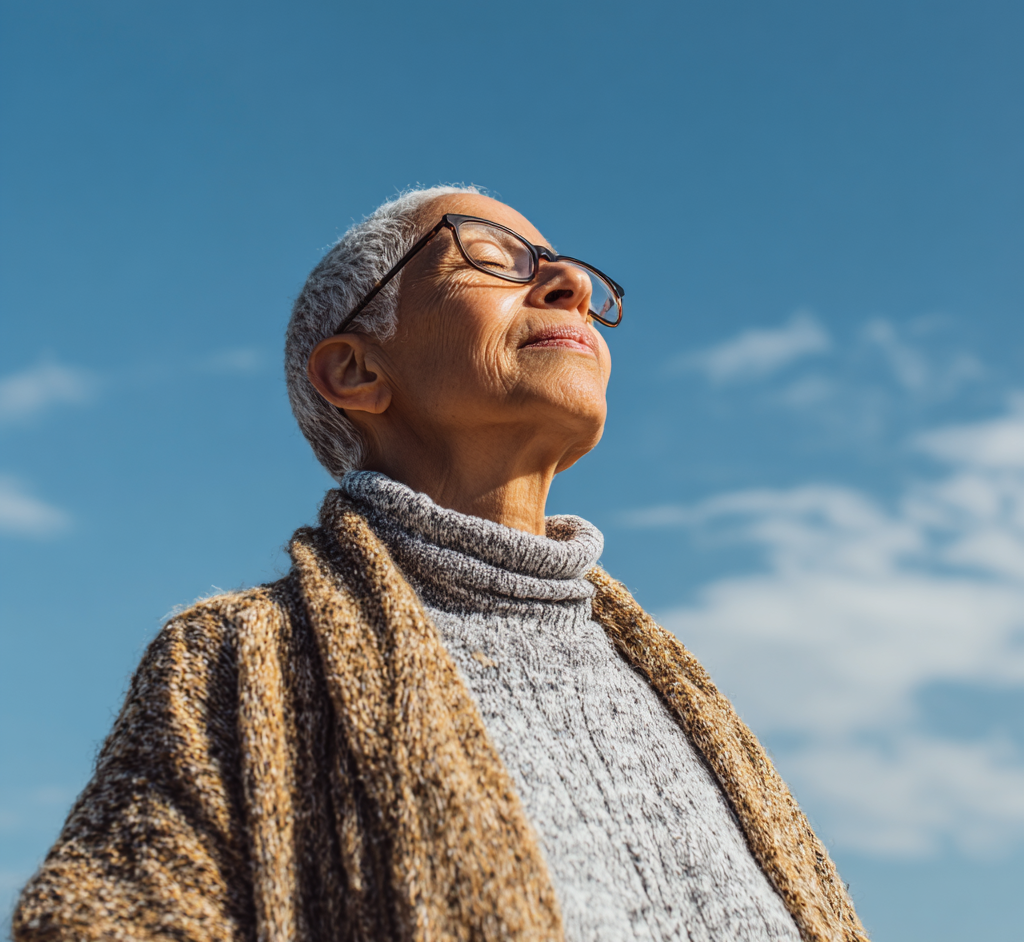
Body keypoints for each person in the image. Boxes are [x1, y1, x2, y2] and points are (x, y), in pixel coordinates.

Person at [14, 186, 868, 942]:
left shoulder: (671, 682)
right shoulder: (233, 662)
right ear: (356, 370)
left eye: (572, 272)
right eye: (493, 258)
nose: (567, 282)